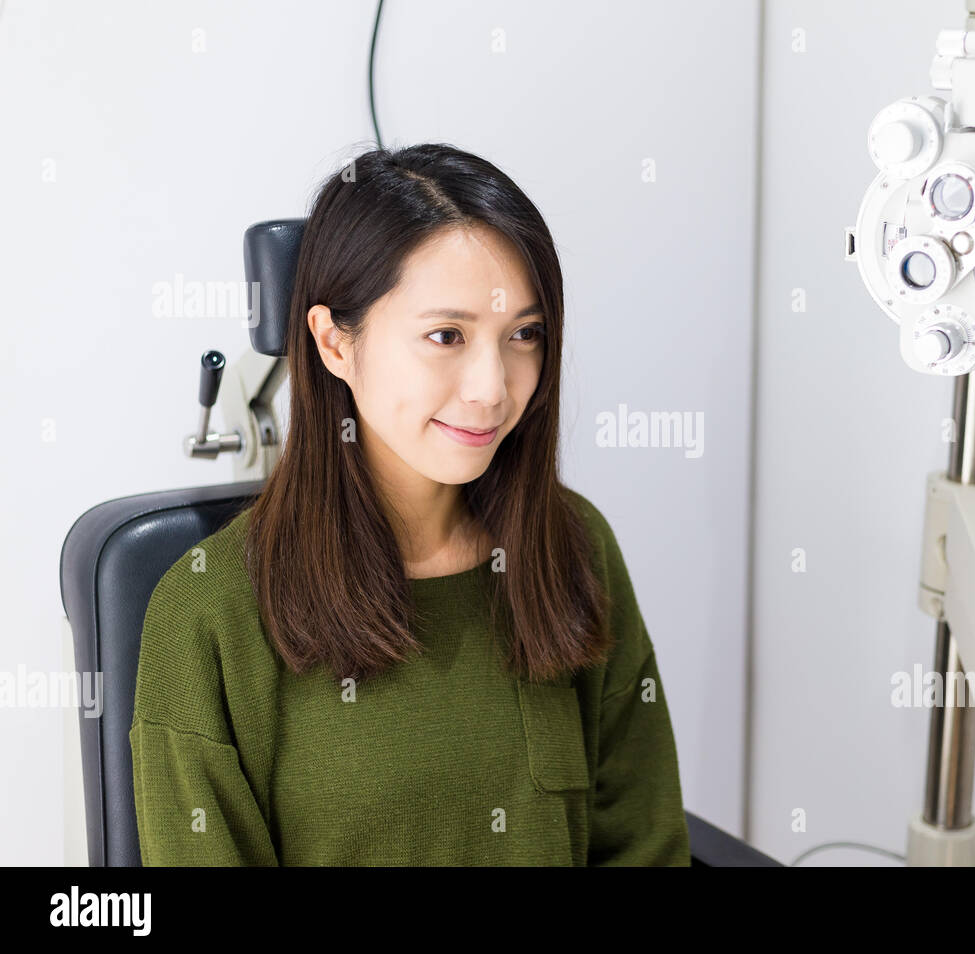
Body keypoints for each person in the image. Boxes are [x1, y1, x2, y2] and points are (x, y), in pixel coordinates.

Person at [129, 143, 691, 866]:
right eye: (446, 336)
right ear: (334, 342)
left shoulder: (572, 546)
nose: (492, 386)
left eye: (523, 334)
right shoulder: (207, 615)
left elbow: (646, 849)